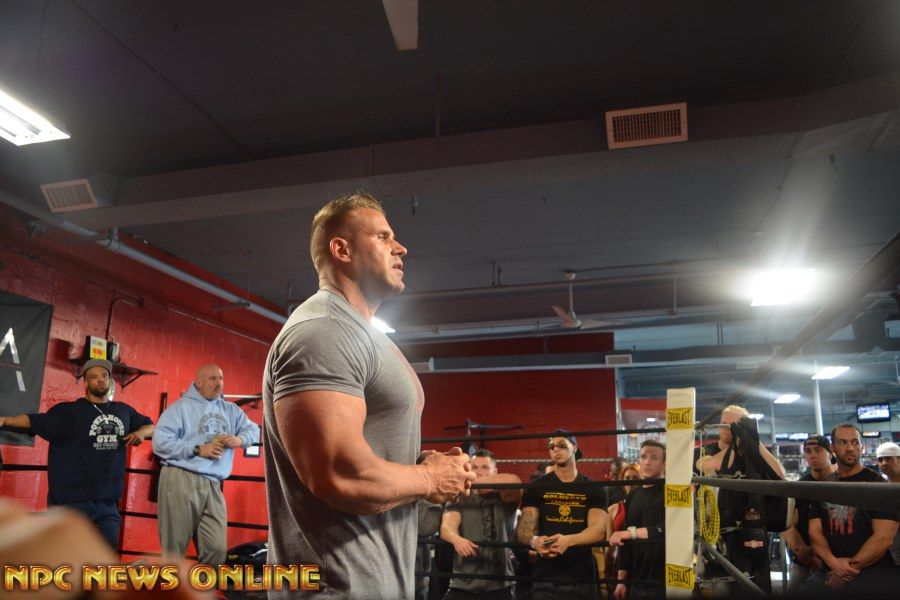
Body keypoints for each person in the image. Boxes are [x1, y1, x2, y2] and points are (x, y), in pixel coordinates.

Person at [262, 193, 475, 599]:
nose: (401, 247)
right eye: (383, 236)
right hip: (338, 586)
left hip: (377, 579)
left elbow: (363, 449)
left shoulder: (362, 334)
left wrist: (424, 465)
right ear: (341, 250)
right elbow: (339, 474)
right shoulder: (322, 332)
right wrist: (430, 478)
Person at [0, 358, 153, 549]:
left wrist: (141, 433)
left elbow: (150, 425)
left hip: (108, 504)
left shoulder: (124, 411)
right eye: (94, 377)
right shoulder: (69, 412)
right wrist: (5, 420)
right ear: (86, 383)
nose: (100, 379)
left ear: (110, 380)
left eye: (104, 376)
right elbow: (34, 421)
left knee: (105, 556)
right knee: (67, 557)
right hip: (71, 503)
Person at [152, 363, 260, 565]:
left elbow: (254, 430)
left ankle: (203, 585)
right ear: (198, 382)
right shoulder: (181, 408)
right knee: (174, 548)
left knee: (217, 550)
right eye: (212, 378)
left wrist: (239, 439)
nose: (218, 383)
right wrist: (197, 449)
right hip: (181, 477)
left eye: (221, 378)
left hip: (213, 483)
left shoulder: (230, 409)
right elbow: (160, 442)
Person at [801, 423, 900, 594]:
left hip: (872, 571)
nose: (850, 448)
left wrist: (845, 572)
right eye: (843, 442)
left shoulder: (878, 485)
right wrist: (833, 564)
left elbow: (883, 538)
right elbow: (815, 533)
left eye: (855, 442)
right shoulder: (823, 487)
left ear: (861, 447)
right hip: (830, 569)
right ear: (832, 448)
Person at [517, 428, 607, 600]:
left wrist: (568, 541)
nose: (556, 449)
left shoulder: (593, 488)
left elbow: (598, 530)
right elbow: (523, 529)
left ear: (575, 448)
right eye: (552, 447)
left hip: (582, 578)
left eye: (561, 445)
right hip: (546, 578)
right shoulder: (536, 487)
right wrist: (535, 541)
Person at [440, 449, 523, 600]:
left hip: (499, 584)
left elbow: (515, 480)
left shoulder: (504, 497)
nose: (479, 472)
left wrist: (467, 481)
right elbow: (446, 528)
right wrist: (456, 539)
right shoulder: (461, 496)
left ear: (495, 471)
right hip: (463, 582)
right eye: (475, 467)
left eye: (485, 467)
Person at [609, 440, 666, 600]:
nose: (647, 462)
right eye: (643, 456)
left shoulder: (671, 491)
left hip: (662, 580)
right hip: (636, 580)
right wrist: (621, 580)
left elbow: (670, 528)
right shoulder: (633, 494)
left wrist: (631, 533)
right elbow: (624, 541)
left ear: (664, 463)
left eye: (654, 458)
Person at [781, 435, 833, 593]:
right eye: (808, 451)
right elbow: (787, 526)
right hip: (805, 563)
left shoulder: (841, 485)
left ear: (830, 453)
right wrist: (806, 553)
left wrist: (818, 553)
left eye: (818, 450)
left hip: (836, 561)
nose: (812, 455)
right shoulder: (801, 487)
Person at [604, 463, 640, 597]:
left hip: (641, 564)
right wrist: (606, 571)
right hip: (618, 564)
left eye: (635, 478)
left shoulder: (649, 507)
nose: (631, 482)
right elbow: (609, 546)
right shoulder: (614, 509)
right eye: (627, 478)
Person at [874, 441, 900, 566]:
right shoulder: (880, 485)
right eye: (880, 459)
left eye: (888, 458)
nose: (884, 463)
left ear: (899, 459)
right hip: (889, 540)